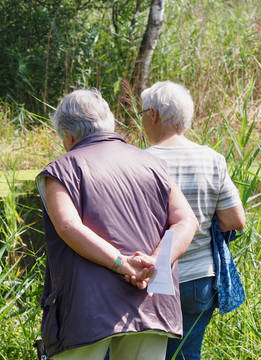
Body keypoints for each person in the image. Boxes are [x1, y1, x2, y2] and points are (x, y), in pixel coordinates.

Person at [35, 89, 199, 359]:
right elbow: (187, 220)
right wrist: (154, 263)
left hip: (86, 310)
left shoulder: (60, 170)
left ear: (68, 136)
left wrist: (123, 264)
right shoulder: (153, 164)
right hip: (150, 304)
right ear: (107, 123)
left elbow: (68, 226)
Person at [139, 81, 246, 360]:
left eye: (141, 114)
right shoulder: (212, 159)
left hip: (152, 280)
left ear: (153, 115)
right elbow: (236, 219)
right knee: (186, 354)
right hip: (200, 278)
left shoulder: (140, 161)